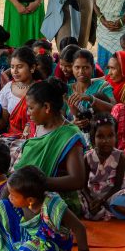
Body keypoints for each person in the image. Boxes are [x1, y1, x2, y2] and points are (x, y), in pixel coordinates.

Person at [0, 165, 95, 251]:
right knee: (1, 207)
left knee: (32, 250)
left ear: (30, 200)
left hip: (50, 246)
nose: (9, 197)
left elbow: (79, 228)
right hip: (27, 237)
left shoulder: (53, 205)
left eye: (13, 196)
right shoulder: (23, 196)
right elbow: (6, 199)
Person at [11, 79, 88, 212]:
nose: (28, 113)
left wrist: (36, 183)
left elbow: (77, 180)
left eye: (30, 108)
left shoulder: (69, 135)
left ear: (46, 107)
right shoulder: (38, 126)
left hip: (56, 199)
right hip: (27, 190)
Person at [81, 115, 125, 220]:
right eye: (100, 136)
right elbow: (83, 186)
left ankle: (106, 208)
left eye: (110, 136)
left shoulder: (120, 156)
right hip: (93, 193)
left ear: (116, 137)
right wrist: (90, 201)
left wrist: (102, 200)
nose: (106, 140)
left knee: (124, 201)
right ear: (93, 138)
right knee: (81, 206)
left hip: (112, 193)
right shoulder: (88, 157)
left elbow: (118, 185)